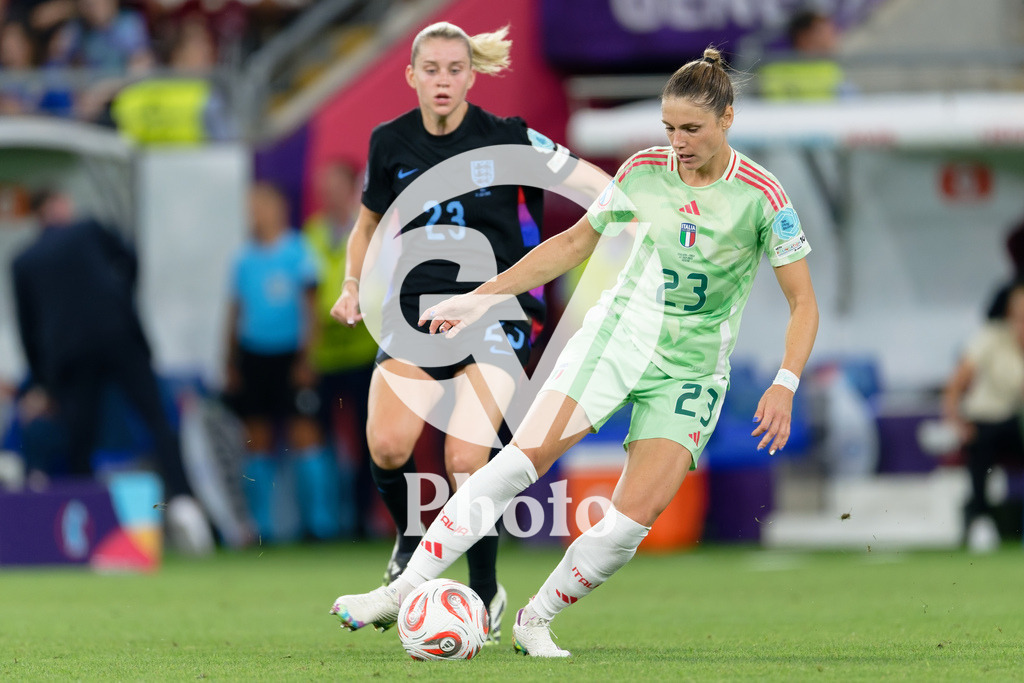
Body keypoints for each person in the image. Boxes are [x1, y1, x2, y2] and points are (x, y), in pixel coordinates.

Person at [330, 47, 819, 657]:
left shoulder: (763, 198)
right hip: (617, 341)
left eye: (691, 129)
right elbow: (572, 243)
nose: (678, 141)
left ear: (726, 121)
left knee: (628, 526)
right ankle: (405, 589)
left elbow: (803, 303)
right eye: (669, 128)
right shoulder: (643, 171)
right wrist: (481, 298)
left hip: (692, 370)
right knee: (515, 464)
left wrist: (785, 381)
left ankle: (534, 618)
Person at [328, 21, 578, 644]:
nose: (443, 80)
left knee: (466, 457)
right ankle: (410, 542)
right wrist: (352, 284)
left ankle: (485, 588)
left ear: (472, 75)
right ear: (411, 76)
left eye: (454, 69)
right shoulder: (390, 142)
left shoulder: (510, 136)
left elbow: (581, 181)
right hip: (415, 318)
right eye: (431, 70)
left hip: (493, 315)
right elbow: (365, 225)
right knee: (387, 445)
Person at [10, 189, 213, 555]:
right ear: (57, 206)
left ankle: (83, 530)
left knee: (79, 440)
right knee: (156, 419)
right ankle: (185, 504)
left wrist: (44, 384)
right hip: (118, 336)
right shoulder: (87, 228)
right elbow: (131, 259)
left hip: (68, 355)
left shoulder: (23, 260)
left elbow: (28, 329)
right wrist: (119, 298)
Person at [226, 181, 340, 542]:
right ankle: (262, 526)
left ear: (278, 209)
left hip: (291, 356)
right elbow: (234, 311)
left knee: (305, 434)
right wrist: (229, 360)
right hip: (253, 355)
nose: (254, 214)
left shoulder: (298, 251)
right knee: (256, 439)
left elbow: (312, 310)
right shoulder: (243, 258)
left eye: (260, 206)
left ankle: (321, 524)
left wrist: (307, 358)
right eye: (250, 208)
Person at [301, 160, 379, 538]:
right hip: (323, 357)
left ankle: (360, 519)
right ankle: (327, 521)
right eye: (324, 187)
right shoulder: (311, 233)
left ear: (352, 190)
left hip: (363, 352)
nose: (328, 194)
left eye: (335, 186)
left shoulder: (369, 232)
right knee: (321, 440)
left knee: (370, 438)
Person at [943, 281, 1024, 552]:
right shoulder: (990, 337)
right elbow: (955, 385)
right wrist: (957, 423)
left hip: (1016, 423)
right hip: (984, 420)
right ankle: (979, 518)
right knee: (980, 447)